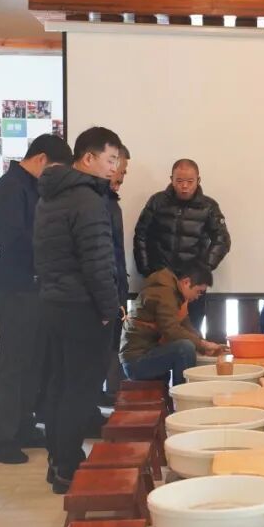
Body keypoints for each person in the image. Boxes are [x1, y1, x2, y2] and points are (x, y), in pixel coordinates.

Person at [34, 127, 121, 493]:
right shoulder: (88, 199)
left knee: (59, 384)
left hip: (53, 302)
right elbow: (97, 263)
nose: (114, 168)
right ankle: (69, 468)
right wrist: (110, 309)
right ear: (88, 158)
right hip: (83, 306)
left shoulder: (50, 196)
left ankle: (58, 461)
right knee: (80, 390)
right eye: (110, 159)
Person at [0, 134, 72, 464]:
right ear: (40, 159)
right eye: (55, 169)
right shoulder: (10, 188)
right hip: (17, 286)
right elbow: (13, 240)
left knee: (34, 361)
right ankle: (1, 438)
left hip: (37, 286)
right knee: (14, 363)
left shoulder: (33, 187)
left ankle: (23, 425)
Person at [134, 158, 231, 332]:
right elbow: (141, 234)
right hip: (161, 279)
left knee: (191, 331)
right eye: (179, 181)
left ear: (198, 180)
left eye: (190, 181)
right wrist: (147, 270)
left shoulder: (209, 207)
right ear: (171, 180)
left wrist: (202, 270)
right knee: (158, 331)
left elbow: (222, 240)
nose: (184, 186)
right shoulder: (157, 202)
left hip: (193, 283)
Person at [120, 264, 225, 385]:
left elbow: (186, 327)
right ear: (186, 282)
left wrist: (203, 345)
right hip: (135, 361)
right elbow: (171, 330)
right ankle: (182, 394)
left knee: (188, 346)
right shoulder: (164, 292)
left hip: (148, 353)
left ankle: (184, 391)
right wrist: (202, 344)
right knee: (184, 348)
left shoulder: (175, 293)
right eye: (198, 292)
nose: (197, 297)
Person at [102, 144, 131, 405]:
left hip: (116, 284)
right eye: (120, 169)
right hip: (103, 288)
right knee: (100, 348)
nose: (121, 176)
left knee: (114, 343)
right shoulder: (96, 203)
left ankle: (110, 392)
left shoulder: (112, 202)